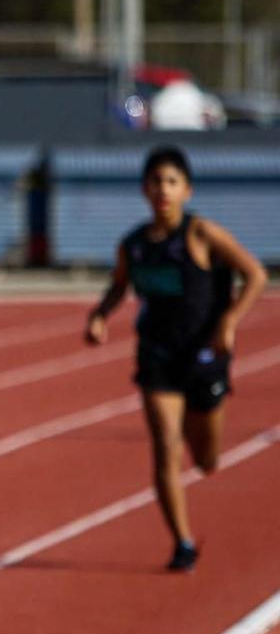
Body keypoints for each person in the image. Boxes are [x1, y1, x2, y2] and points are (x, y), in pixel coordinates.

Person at [85, 146, 266, 570]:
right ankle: (182, 543)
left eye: (171, 182)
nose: (163, 190)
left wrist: (229, 322)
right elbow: (119, 286)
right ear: (144, 189)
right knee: (165, 447)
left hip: (204, 354)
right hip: (158, 356)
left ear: (186, 189)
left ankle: (197, 425)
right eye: (155, 182)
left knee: (206, 461)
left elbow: (255, 274)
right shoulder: (132, 246)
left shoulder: (201, 234)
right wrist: (99, 315)